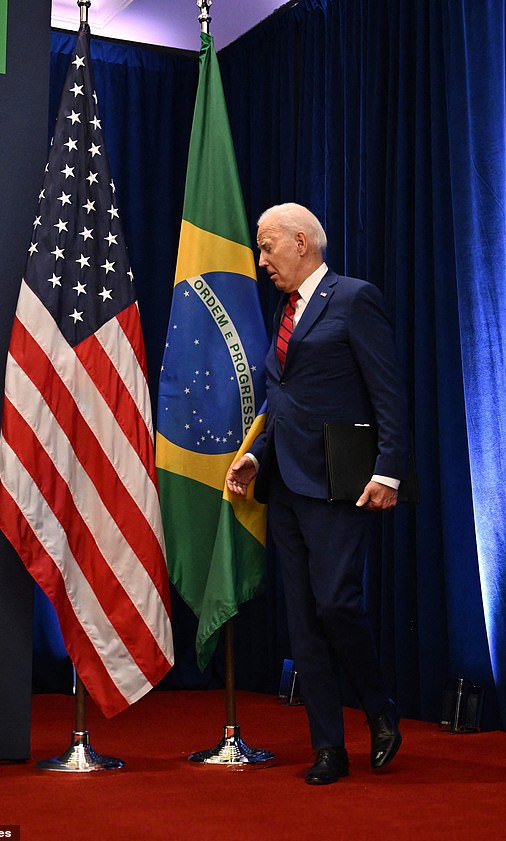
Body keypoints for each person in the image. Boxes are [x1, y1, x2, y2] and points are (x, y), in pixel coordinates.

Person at [226, 202, 409, 785]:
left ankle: (379, 709)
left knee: (337, 605)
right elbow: (284, 407)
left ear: (301, 242)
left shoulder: (354, 299)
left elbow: (388, 392)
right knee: (303, 623)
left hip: (339, 483)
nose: (262, 261)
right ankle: (328, 747)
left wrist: (390, 470)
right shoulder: (285, 312)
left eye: (267, 247)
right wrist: (256, 456)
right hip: (285, 487)